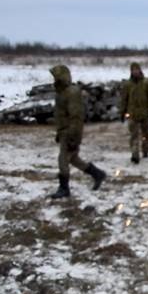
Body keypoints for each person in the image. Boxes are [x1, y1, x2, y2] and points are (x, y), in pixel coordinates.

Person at [49, 65, 106, 198]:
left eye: (56, 76)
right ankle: (97, 174)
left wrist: (73, 137)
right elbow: (61, 115)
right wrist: (59, 132)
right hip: (64, 131)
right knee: (73, 159)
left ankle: (64, 188)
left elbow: (76, 117)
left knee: (63, 160)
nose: (54, 79)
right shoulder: (61, 92)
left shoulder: (72, 93)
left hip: (70, 132)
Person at [119, 62, 148, 164]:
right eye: (133, 70)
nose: (135, 72)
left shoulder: (147, 84)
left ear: (140, 70)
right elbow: (124, 100)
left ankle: (145, 152)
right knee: (134, 136)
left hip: (145, 113)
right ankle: (135, 153)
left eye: (136, 70)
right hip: (133, 114)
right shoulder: (127, 85)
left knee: (146, 135)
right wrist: (122, 112)